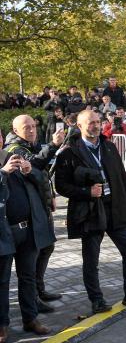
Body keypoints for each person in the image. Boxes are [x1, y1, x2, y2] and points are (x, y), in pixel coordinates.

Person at [54, 110, 126, 314]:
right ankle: (97, 300)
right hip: (90, 211)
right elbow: (61, 186)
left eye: (98, 122)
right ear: (80, 126)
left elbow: (122, 178)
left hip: (115, 207)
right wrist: (86, 192)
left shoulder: (108, 146)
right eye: (90, 123)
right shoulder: (69, 152)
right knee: (91, 259)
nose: (96, 126)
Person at [5, 115, 65, 308]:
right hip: (29, 212)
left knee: (47, 247)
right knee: (36, 252)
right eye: (26, 127)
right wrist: (54, 145)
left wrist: (51, 196)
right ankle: (34, 299)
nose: (32, 130)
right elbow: (35, 167)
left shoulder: (32, 145)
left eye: (33, 126)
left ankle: (39, 290)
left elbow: (43, 175)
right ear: (15, 131)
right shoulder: (14, 150)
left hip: (41, 204)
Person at [0, 143, 55, 342]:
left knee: (28, 277)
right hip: (3, 233)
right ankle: (2, 326)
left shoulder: (13, 156)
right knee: (2, 281)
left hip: (26, 230)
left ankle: (30, 319)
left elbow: (41, 180)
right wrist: (3, 173)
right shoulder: (5, 167)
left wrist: (29, 171)